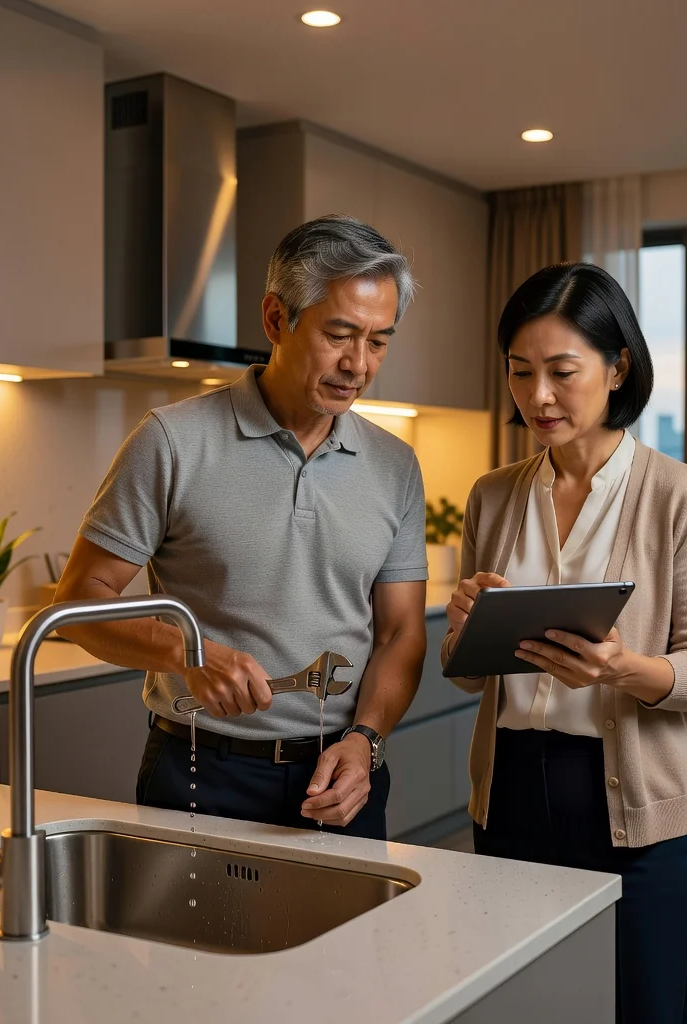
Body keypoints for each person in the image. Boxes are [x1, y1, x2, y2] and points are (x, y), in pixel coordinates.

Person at [54, 215, 429, 840]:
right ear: (276, 319)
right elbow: (76, 604)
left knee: (354, 943)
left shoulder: (395, 465)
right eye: (339, 334)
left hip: (342, 776)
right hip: (200, 771)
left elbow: (400, 632)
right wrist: (185, 652)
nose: (358, 364)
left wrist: (367, 739)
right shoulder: (172, 441)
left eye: (379, 341)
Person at [442, 262, 687, 1023]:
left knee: (645, 1008)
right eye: (520, 371)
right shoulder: (493, 494)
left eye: (562, 372)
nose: (538, 395)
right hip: (509, 794)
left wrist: (623, 669)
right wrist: (464, 627)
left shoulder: (682, 496)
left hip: (634, 808)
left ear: (617, 368)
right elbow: (469, 678)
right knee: (523, 1006)